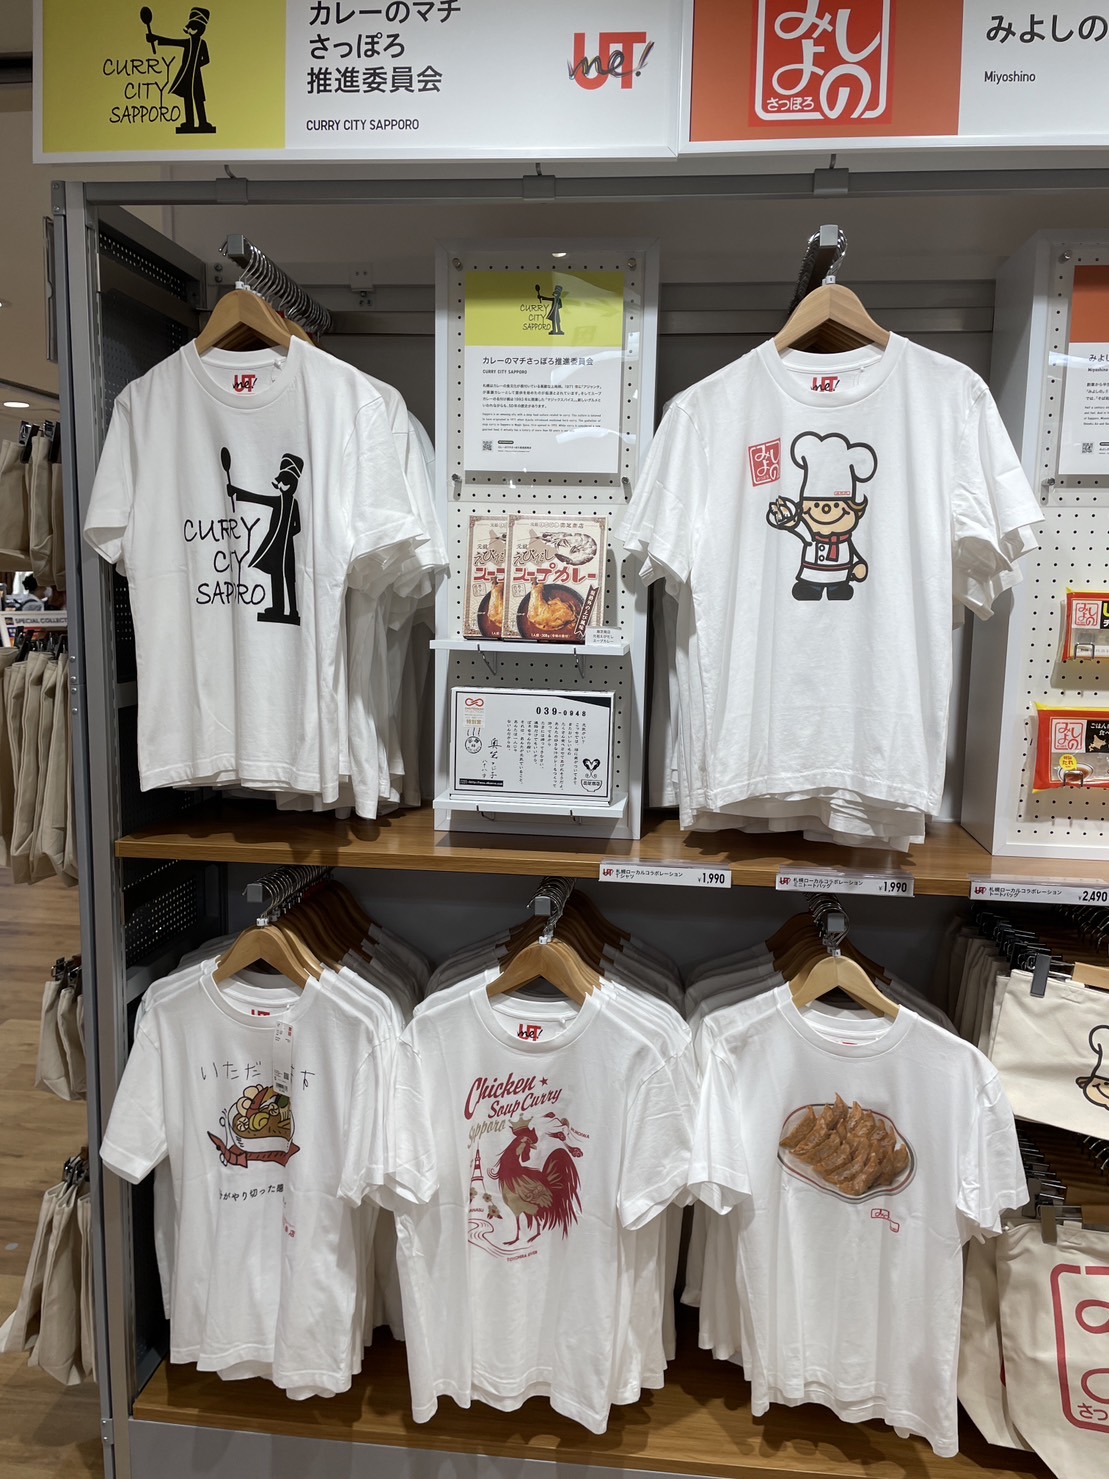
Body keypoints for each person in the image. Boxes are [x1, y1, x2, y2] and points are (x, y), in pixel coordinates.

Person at [222, 449, 303, 626]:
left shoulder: (293, 503)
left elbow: (298, 527)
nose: (280, 486)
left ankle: (293, 611)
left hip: (287, 547)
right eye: (280, 482)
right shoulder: (280, 501)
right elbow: (259, 499)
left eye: (284, 483)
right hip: (277, 547)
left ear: (291, 484)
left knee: (290, 578)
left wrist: (286, 533)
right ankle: (278, 609)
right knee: (276, 576)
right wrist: (236, 491)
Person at [145, 7, 216, 135]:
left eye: (192, 27)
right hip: (187, 75)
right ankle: (189, 122)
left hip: (196, 76)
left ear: (200, 28)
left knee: (198, 98)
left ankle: (203, 122)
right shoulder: (188, 42)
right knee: (187, 98)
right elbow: (173, 42)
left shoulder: (202, 43)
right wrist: (155, 37)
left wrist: (196, 65)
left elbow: (206, 60)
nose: (189, 30)